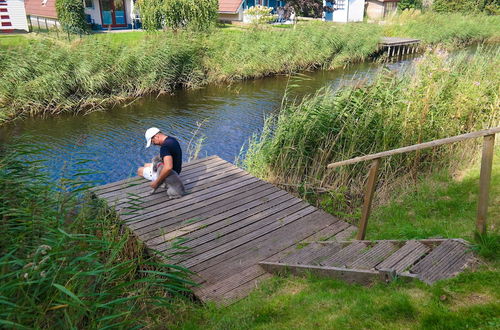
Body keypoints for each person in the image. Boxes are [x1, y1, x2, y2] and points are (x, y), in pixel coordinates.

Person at [137, 127, 183, 191]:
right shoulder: (172, 140)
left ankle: (164, 184)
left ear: (156, 136)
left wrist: (156, 183)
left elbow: (168, 167)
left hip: (170, 175)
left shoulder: (165, 147)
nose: (154, 144)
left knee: (140, 170)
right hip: (176, 171)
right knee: (146, 165)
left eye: (152, 142)